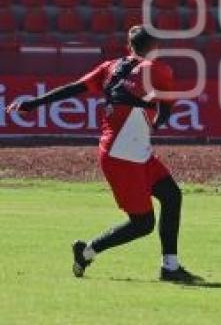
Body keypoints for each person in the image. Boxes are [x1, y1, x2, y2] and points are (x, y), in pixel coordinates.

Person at [4, 26, 203, 281]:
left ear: (128, 47)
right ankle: (87, 251)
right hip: (125, 156)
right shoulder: (159, 70)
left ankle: (170, 267)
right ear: (154, 49)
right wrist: (155, 122)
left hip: (125, 152)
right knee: (142, 224)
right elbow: (167, 107)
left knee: (171, 196)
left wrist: (31, 104)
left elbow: (74, 88)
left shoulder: (110, 67)